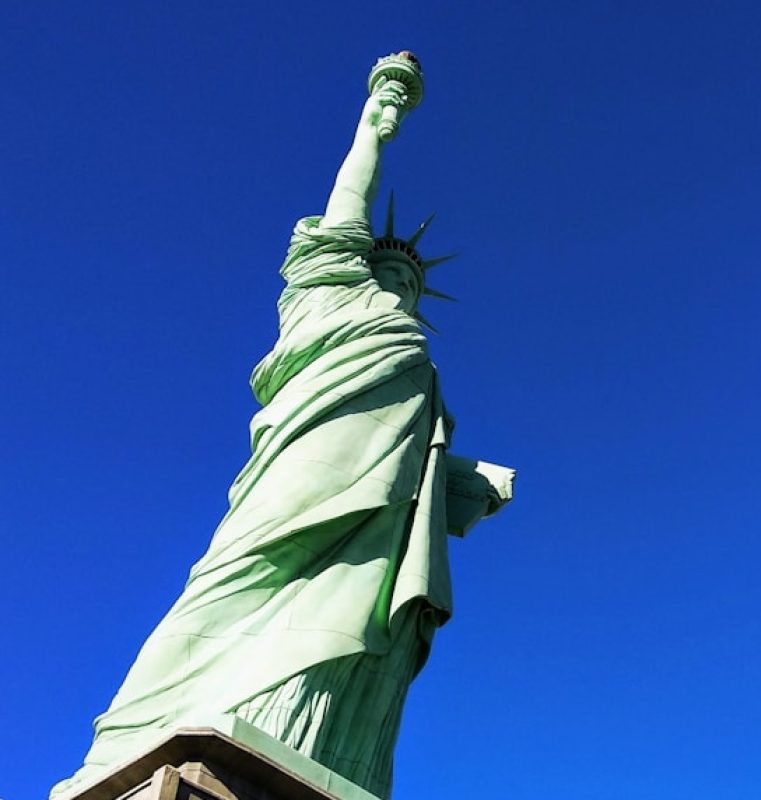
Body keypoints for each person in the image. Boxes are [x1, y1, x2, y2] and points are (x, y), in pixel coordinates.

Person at [53, 57, 487, 799]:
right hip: (299, 467)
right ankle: (144, 725)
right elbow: (349, 199)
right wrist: (380, 117)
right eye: (393, 273)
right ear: (358, 266)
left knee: (358, 619)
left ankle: (302, 733)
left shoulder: (418, 362)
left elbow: (416, 458)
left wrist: (462, 481)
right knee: (235, 577)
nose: (403, 287)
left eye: (414, 284)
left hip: (379, 520)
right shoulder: (329, 297)